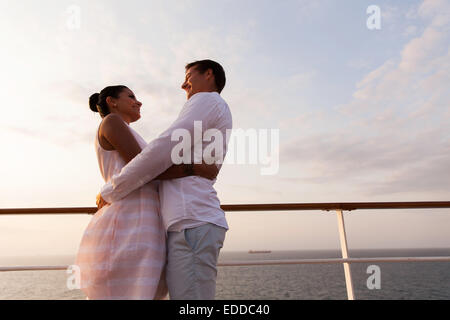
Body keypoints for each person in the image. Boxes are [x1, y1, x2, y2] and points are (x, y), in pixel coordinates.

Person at [97, 60, 232, 299]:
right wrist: (191, 168)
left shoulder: (206, 100)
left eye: (189, 76)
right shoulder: (213, 106)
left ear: (208, 74)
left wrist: (110, 191)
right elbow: (162, 159)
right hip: (186, 222)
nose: (183, 84)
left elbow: (165, 147)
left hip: (191, 221)